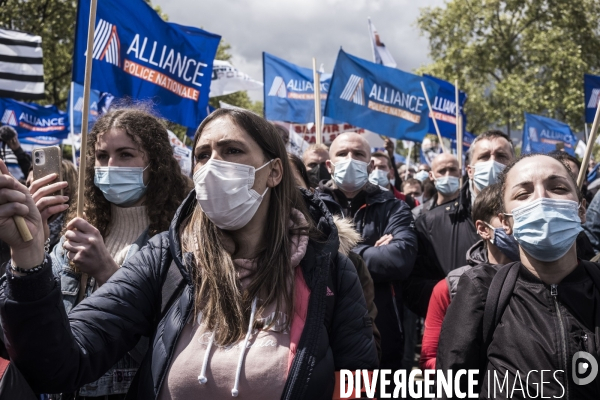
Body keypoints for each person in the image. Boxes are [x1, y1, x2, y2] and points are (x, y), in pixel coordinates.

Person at [0, 108, 378, 399]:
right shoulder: (167, 257)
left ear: (274, 171)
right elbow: (58, 362)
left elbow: (356, 384)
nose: (214, 165)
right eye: (203, 154)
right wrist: (29, 257)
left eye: (232, 150)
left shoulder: (328, 270)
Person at [29, 107, 189, 399]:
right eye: (102, 156)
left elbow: (169, 353)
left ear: (155, 163)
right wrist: (31, 246)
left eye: (126, 154)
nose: (110, 165)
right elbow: (38, 329)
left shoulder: (177, 243)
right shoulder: (78, 229)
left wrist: (107, 273)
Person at [437, 154, 600, 399]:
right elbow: (451, 387)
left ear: (582, 210)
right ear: (506, 223)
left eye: (557, 188)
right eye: (523, 194)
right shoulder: (482, 288)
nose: (542, 199)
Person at [317, 132, 417, 371]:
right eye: (342, 154)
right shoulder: (312, 206)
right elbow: (310, 257)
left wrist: (336, 245)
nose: (350, 159)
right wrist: (370, 250)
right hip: (322, 331)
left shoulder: (394, 207)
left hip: (383, 329)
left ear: (370, 165)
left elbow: (399, 259)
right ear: (329, 166)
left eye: (358, 154)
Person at [289, 153, 382, 360]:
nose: (280, 194)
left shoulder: (343, 262)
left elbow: (362, 352)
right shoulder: (223, 261)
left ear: (311, 194)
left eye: (291, 184)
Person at [419, 183, 514, 370]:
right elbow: (429, 358)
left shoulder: (547, 279)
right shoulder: (451, 287)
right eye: (505, 216)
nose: (514, 223)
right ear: (483, 228)